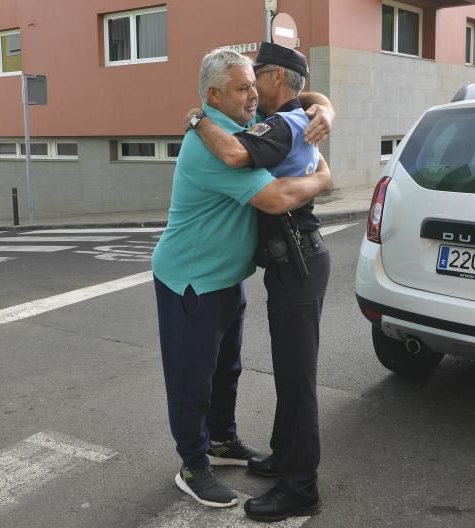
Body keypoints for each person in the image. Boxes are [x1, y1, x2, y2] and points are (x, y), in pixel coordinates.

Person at [151, 47, 333, 510]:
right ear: (213, 94)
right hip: (192, 279)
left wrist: (325, 106)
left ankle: (221, 440)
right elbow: (274, 199)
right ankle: (193, 464)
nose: (253, 94)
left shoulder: (240, 129)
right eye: (242, 87)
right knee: (192, 376)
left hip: (227, 278)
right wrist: (323, 178)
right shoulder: (215, 144)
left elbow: (300, 93)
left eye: (254, 83)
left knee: (225, 369)